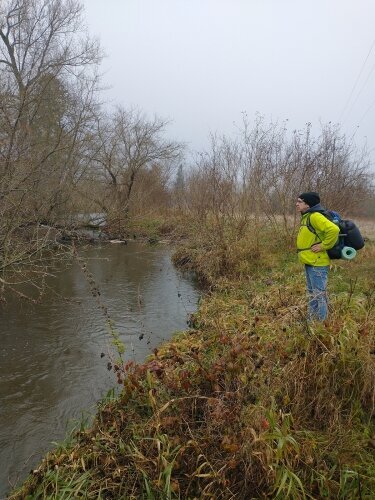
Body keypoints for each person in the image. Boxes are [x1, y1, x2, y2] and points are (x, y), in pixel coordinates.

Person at [296, 192, 340, 321]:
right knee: (312, 294)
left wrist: (323, 245)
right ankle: (311, 321)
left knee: (319, 295)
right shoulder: (306, 216)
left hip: (317, 263)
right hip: (310, 261)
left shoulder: (315, 216)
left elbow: (334, 230)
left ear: (308, 204)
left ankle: (321, 325)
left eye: (300, 201)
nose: (297, 204)